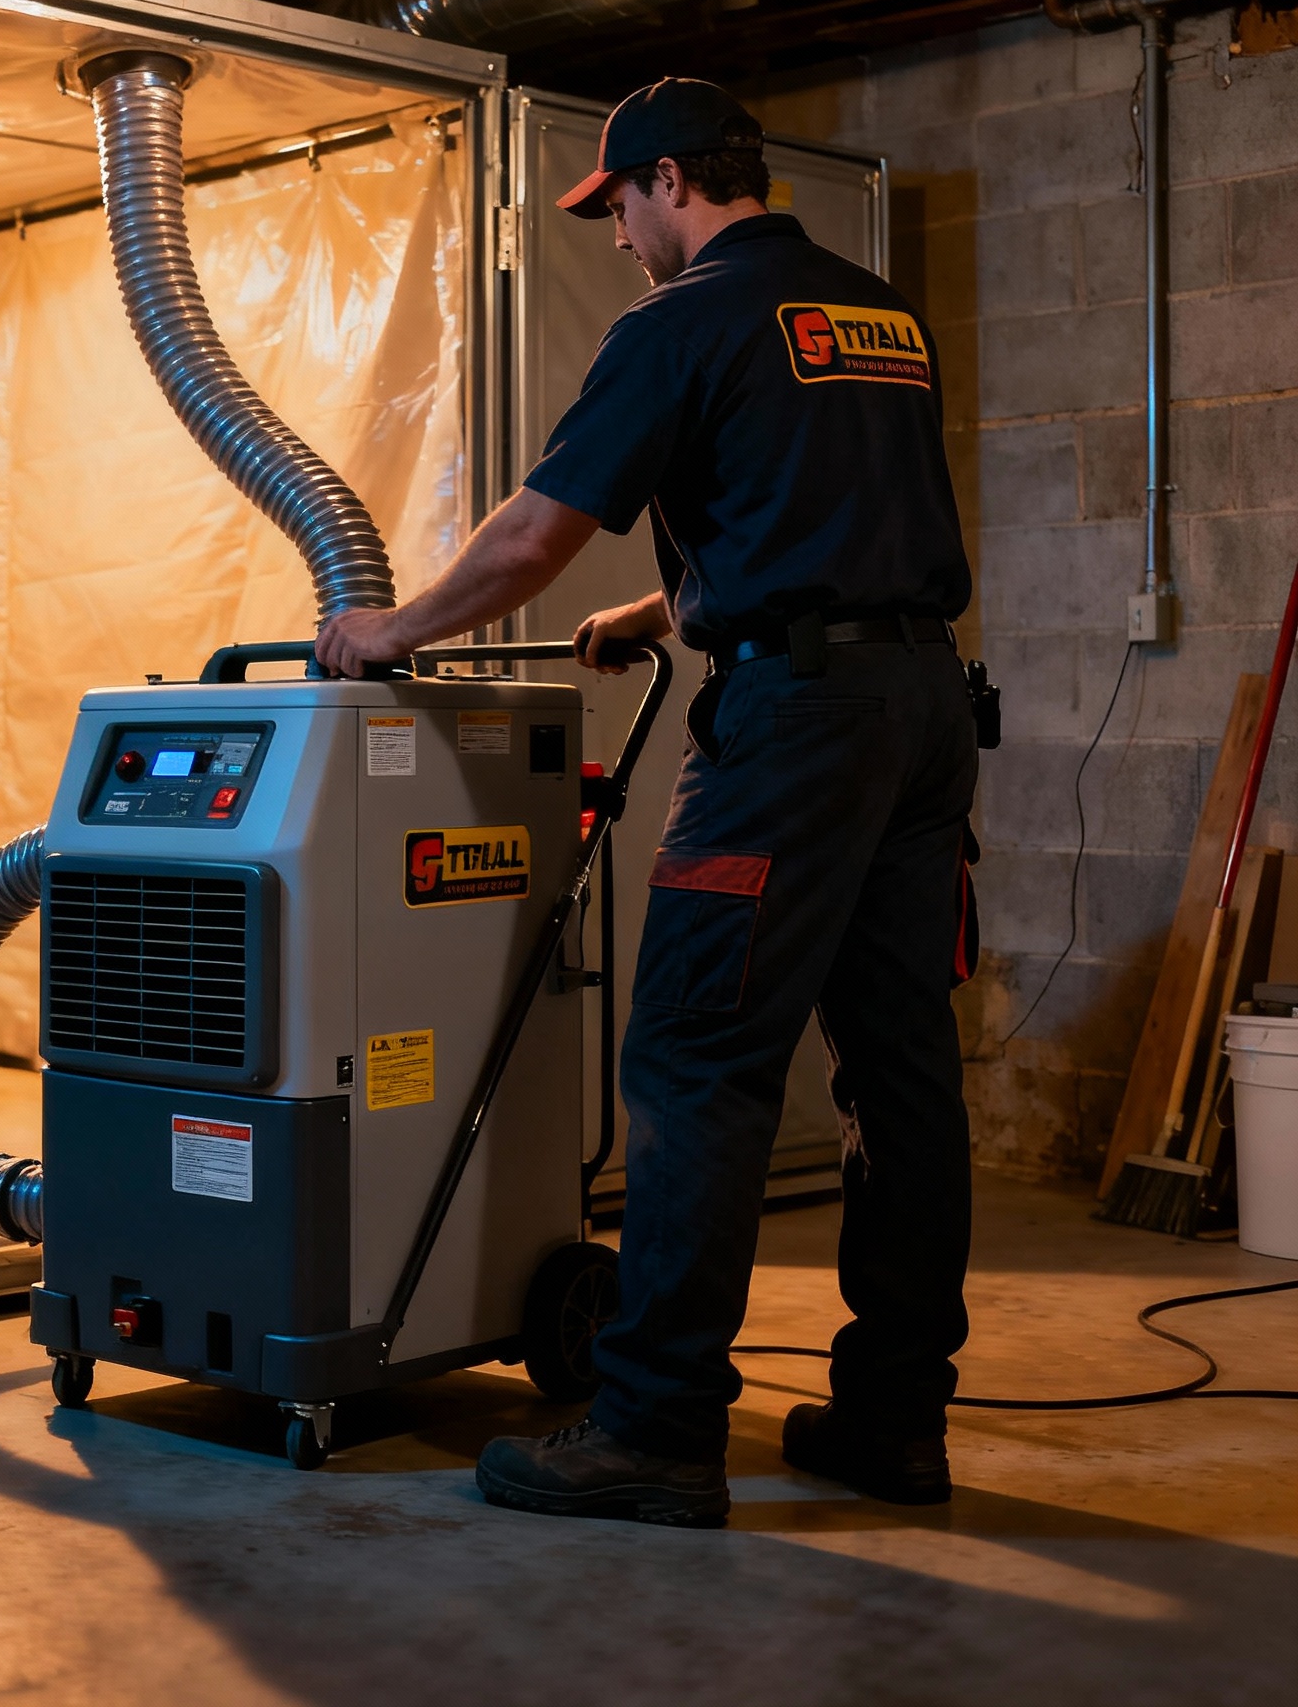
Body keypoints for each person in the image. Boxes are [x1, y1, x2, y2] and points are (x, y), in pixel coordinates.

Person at [315, 77, 977, 1530]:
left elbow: (531, 534)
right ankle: (893, 1420)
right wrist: (667, 607)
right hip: (922, 713)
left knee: (694, 1060)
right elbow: (822, 523)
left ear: (671, 180)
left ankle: (659, 1427)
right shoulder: (876, 314)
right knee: (901, 1073)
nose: (615, 236)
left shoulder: (679, 323)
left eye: (617, 203)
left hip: (794, 737)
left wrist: (392, 632)